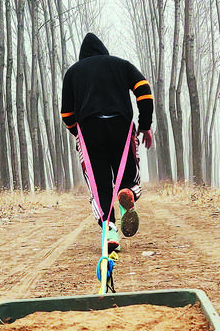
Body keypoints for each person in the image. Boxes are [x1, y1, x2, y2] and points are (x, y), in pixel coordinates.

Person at [61, 33, 154, 253]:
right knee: (127, 171)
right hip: (121, 125)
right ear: (104, 51)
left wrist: (78, 133)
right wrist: (144, 125)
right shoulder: (121, 65)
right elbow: (144, 91)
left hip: (90, 128)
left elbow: (66, 113)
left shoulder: (73, 72)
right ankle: (129, 193)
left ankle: (110, 230)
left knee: (99, 182)